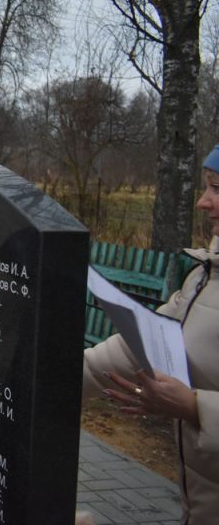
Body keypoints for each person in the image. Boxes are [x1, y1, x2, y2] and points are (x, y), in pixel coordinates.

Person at [83, 145, 219, 524]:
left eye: (217, 189)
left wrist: (194, 408)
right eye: (206, 187)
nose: (204, 203)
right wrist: (31, 383)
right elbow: (136, 346)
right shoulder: (203, 278)